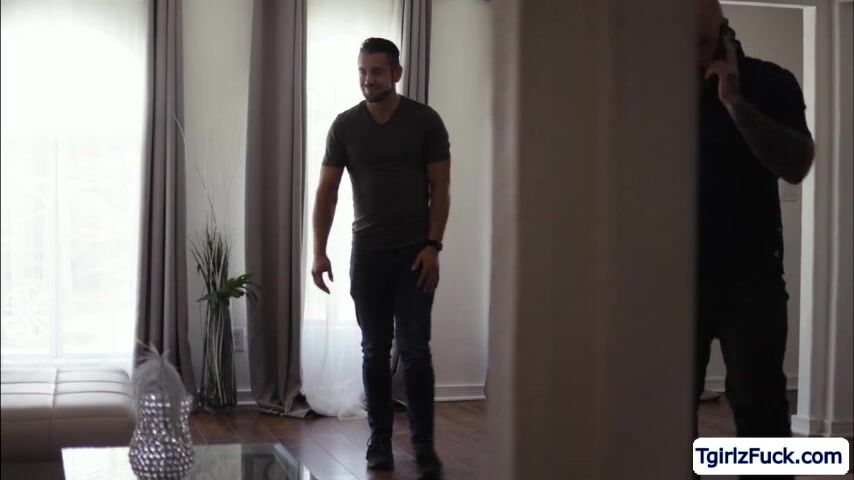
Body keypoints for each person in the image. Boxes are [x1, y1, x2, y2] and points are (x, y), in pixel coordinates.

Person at [310, 37, 451, 479]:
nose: (368, 79)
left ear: (396, 73)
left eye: (376, 71)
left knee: (415, 351)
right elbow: (327, 192)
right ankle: (380, 441)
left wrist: (433, 246)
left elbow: (440, 189)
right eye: (362, 71)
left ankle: (424, 446)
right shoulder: (345, 126)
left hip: (415, 255)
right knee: (373, 350)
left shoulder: (425, 121)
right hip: (367, 254)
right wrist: (318, 251)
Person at [695, 1, 814, 477]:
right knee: (661, 410)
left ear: (723, 34)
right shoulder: (651, 87)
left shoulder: (770, 82)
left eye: (700, 43)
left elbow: (796, 165)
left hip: (752, 276)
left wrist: (735, 104)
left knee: (761, 406)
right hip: (668, 277)